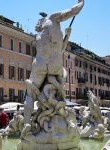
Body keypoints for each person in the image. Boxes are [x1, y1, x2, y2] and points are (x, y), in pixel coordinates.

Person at [22, 0, 84, 138]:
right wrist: (81, 2)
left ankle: (27, 124)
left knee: (30, 95)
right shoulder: (53, 19)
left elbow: (60, 49)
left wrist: (68, 36)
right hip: (55, 64)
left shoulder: (38, 36)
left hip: (40, 64)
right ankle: (60, 102)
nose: (37, 23)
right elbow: (73, 11)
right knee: (63, 76)